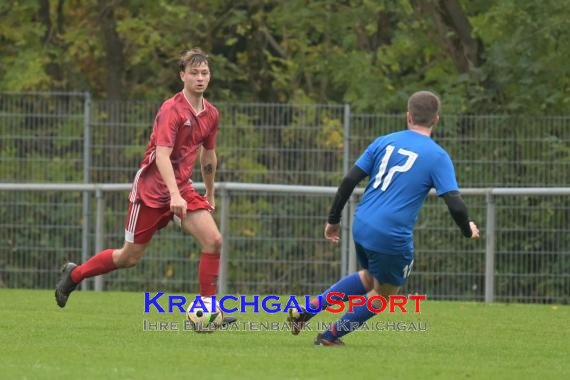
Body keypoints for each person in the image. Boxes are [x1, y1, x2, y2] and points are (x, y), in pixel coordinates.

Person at [55, 48, 235, 324]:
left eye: (205, 73)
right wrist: (173, 194)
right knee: (129, 258)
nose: (200, 78)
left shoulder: (211, 114)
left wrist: (209, 192)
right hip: (151, 191)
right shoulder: (171, 109)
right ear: (182, 76)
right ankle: (75, 274)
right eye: (194, 73)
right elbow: (162, 155)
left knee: (214, 241)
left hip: (182, 189)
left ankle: (209, 312)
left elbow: (208, 155)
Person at [288, 91, 480, 346]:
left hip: (362, 224)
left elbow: (348, 181)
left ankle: (307, 310)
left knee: (369, 277)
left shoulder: (383, 142)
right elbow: (455, 204)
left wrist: (334, 219)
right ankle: (329, 337)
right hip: (391, 234)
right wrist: (468, 229)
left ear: (408, 116)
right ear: (437, 119)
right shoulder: (437, 156)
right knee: (385, 292)